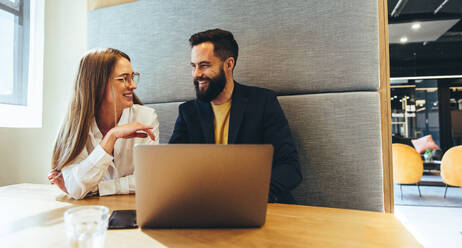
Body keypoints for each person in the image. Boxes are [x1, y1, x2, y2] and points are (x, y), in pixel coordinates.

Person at [169, 29, 302, 203]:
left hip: (259, 205)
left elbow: (289, 168)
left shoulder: (263, 102)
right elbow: (173, 168)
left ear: (229, 64)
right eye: (193, 66)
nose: (196, 74)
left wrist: (247, 195)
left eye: (204, 65)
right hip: (205, 206)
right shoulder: (188, 113)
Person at [48, 48, 159, 200]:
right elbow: (75, 188)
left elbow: (150, 180)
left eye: (132, 77)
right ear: (97, 84)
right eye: (123, 79)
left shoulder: (146, 118)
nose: (133, 85)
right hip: (91, 211)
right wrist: (111, 137)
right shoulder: (74, 123)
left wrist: (97, 188)